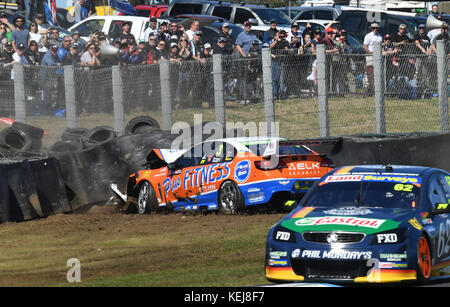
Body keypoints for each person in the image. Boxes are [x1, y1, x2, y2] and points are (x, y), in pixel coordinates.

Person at [363, 23, 382, 96]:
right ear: (371, 28)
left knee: (376, 72)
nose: (375, 29)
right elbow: (364, 46)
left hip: (378, 56)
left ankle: (375, 89)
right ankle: (367, 89)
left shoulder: (380, 36)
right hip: (370, 56)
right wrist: (369, 52)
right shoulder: (368, 36)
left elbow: (381, 45)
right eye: (374, 28)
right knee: (369, 72)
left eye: (376, 28)